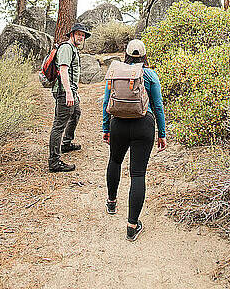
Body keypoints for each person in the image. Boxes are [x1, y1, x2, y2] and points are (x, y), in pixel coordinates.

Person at [102, 39, 167, 241]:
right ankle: (132, 226)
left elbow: (106, 101)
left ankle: (111, 202)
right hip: (143, 125)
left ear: (127, 54)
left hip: (118, 124)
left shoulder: (116, 72)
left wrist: (106, 127)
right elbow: (158, 106)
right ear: (144, 55)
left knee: (115, 161)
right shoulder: (150, 74)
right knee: (137, 173)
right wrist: (162, 133)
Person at [48, 22, 91, 173]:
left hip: (70, 90)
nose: (81, 37)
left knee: (76, 113)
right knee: (59, 124)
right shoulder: (66, 48)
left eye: (83, 35)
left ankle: (66, 143)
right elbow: (63, 70)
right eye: (78, 34)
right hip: (63, 91)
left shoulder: (73, 48)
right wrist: (68, 92)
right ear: (72, 34)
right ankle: (54, 161)